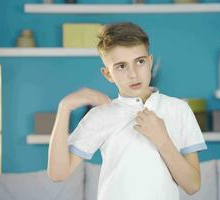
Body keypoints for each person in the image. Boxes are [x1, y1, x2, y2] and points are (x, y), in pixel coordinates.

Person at [47, 22, 207, 200]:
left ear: (150, 62)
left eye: (140, 62)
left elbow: (193, 186)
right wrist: (64, 107)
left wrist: (162, 140)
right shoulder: (101, 115)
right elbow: (58, 174)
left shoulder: (179, 110)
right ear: (108, 74)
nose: (133, 74)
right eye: (121, 66)